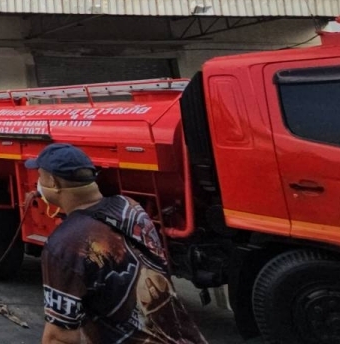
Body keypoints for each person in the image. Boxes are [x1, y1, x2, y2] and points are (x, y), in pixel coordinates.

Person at [27, 143, 207, 344]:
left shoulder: (65, 245)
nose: (38, 183)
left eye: (40, 176)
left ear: (53, 182)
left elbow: (59, 338)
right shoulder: (130, 207)